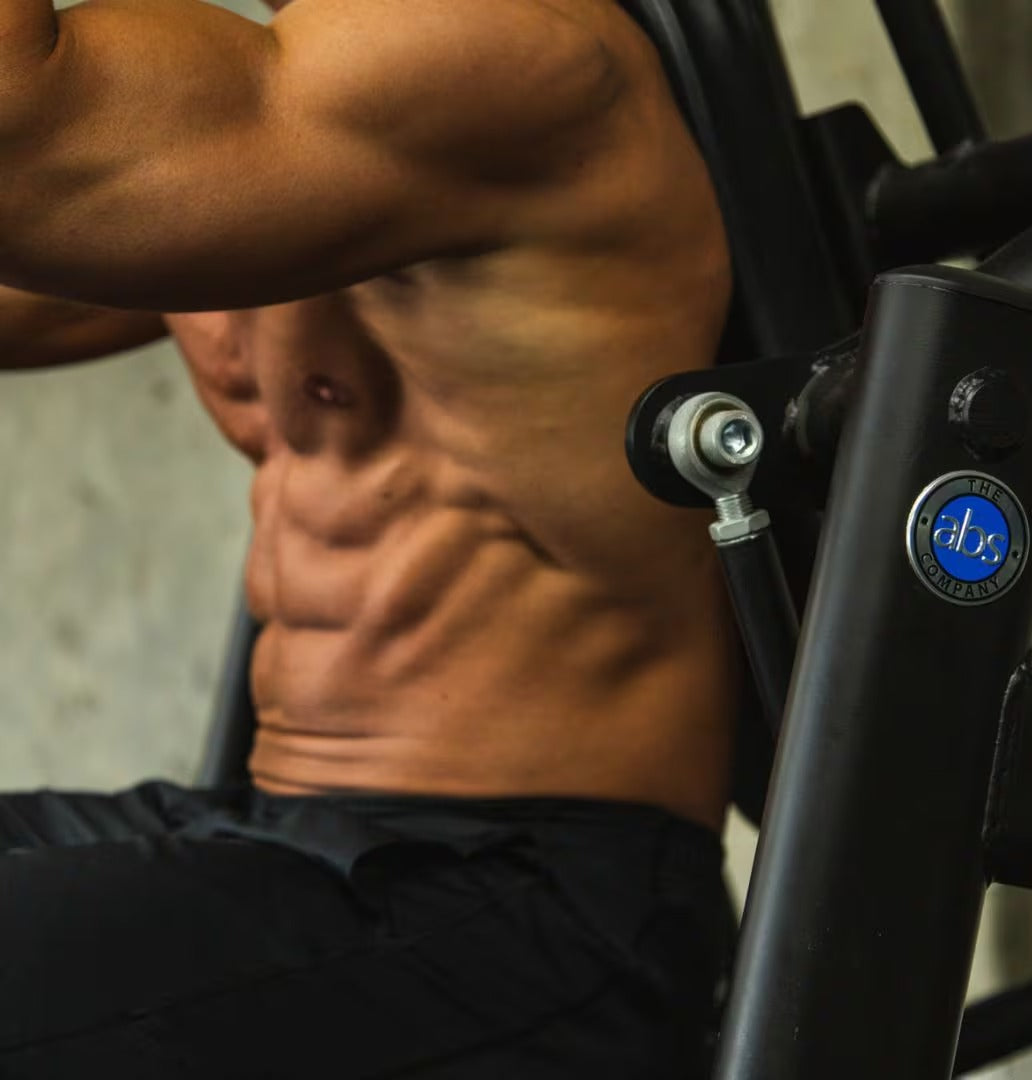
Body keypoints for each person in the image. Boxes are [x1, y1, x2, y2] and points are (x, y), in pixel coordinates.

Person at [0, 0, 741, 1075]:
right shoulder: (262, 115)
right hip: (286, 836)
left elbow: (24, 145)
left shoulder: (484, 46)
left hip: (537, 900)